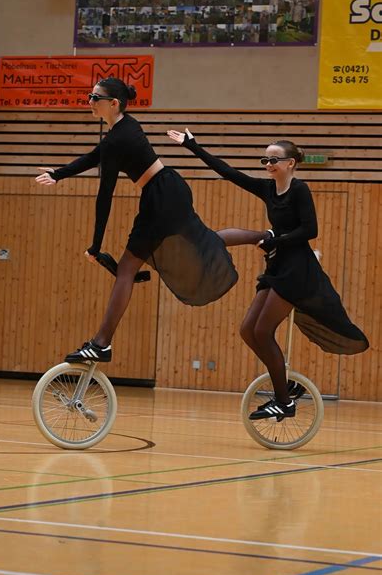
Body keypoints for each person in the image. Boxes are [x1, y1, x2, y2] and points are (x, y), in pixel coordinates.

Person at [36, 77, 269, 363]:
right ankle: (265, 237)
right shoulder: (124, 128)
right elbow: (94, 157)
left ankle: (102, 343)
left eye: (94, 97)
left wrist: (96, 246)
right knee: (203, 240)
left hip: (161, 197)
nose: (89, 101)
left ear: (113, 103)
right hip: (167, 189)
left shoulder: (118, 137)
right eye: (89, 96)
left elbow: (104, 196)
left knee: (126, 269)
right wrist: (58, 174)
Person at [167, 128, 369, 420]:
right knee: (248, 330)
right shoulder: (267, 188)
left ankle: (284, 403)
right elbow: (228, 172)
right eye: (265, 160)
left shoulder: (299, 189)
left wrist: (277, 239)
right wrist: (192, 145)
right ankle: (283, 384)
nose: (268, 164)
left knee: (262, 330)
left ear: (291, 163)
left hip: (297, 269)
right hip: (277, 265)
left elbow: (311, 230)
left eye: (274, 159)